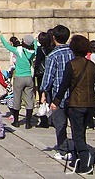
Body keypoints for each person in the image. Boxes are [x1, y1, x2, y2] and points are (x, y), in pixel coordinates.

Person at [50, 35, 95, 174]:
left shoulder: (71, 65)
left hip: (75, 104)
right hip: (90, 104)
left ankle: (85, 164)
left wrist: (56, 101)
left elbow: (64, 85)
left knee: (77, 135)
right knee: (81, 133)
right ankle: (78, 160)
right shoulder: (91, 65)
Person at [39, 24, 74, 161]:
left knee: (60, 124)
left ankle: (63, 150)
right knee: (76, 124)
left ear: (53, 38)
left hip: (58, 96)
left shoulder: (52, 55)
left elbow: (48, 77)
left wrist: (43, 91)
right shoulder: (73, 52)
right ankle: (77, 148)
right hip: (74, 94)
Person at [0, 30, 37, 129]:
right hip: (29, 77)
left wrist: (1, 36)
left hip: (19, 77)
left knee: (17, 98)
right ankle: (28, 123)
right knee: (29, 100)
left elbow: (7, 46)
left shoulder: (19, 50)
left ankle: (16, 121)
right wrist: (36, 42)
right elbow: (36, 48)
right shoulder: (32, 52)